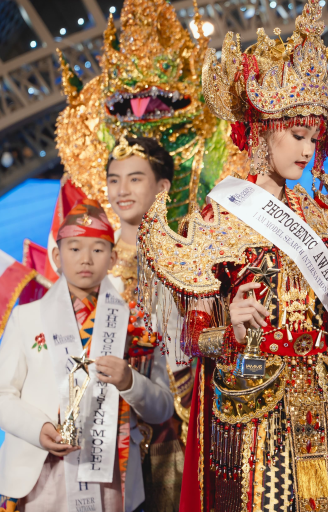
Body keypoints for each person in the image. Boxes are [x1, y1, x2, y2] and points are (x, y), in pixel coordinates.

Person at [137, 0, 328, 512]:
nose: (308, 150)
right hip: (254, 403)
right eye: (298, 134)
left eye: (316, 137)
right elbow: (198, 338)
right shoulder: (222, 216)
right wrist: (229, 324)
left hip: (323, 405)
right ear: (263, 129)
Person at [0, 199, 173, 512]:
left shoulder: (135, 322)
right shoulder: (27, 318)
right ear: (57, 256)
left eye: (97, 250)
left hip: (110, 472)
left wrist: (129, 380)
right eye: (74, 249)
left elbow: (162, 407)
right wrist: (38, 428)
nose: (86, 259)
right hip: (41, 470)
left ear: (112, 257)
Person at [106, 134, 193, 511]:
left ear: (162, 187)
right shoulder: (88, 258)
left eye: (135, 178)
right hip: (102, 424)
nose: (121, 190)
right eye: (114, 179)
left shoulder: (186, 262)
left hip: (167, 427)